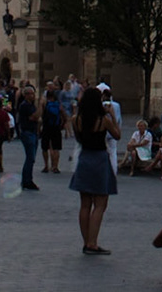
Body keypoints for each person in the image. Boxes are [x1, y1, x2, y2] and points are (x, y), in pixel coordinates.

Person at [70, 85, 121, 256]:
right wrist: (112, 116)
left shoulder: (76, 119)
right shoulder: (103, 120)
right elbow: (117, 135)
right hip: (99, 159)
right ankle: (93, 243)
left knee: (85, 204)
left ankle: (86, 242)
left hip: (84, 158)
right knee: (100, 204)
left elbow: (78, 139)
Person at [14, 82, 41, 190]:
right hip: (27, 132)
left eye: (33, 94)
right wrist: (41, 106)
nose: (32, 96)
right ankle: (26, 181)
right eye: (30, 94)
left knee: (31, 158)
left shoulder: (30, 105)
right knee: (30, 157)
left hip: (32, 132)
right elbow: (34, 117)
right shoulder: (25, 105)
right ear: (25, 95)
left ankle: (27, 179)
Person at [41, 90, 65, 175]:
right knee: (56, 148)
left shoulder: (45, 104)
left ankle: (46, 166)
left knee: (45, 148)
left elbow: (41, 114)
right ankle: (55, 166)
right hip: (56, 128)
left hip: (47, 127)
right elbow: (64, 115)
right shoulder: (58, 105)